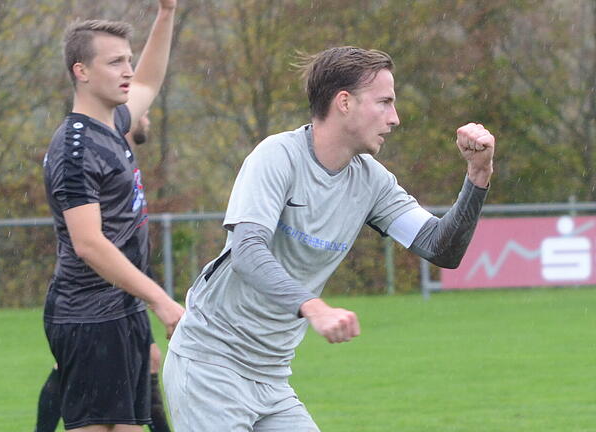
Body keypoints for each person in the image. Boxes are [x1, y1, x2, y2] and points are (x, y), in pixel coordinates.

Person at [163, 46, 495, 431]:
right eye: (384, 103)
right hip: (210, 366)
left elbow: (442, 248)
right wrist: (314, 308)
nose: (395, 118)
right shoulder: (277, 156)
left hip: (271, 378)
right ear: (344, 103)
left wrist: (478, 174)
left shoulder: (371, 180)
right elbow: (247, 252)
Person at [41, 0, 184, 430]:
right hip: (88, 317)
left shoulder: (113, 121)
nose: (127, 70)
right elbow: (88, 243)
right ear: (81, 71)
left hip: (122, 311)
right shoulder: (75, 149)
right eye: (115, 62)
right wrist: (160, 299)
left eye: (128, 60)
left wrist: (166, 14)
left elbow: (150, 80)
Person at [34, 114, 171, 432]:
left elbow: (145, 86)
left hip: (124, 302)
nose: (145, 116)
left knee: (146, 369)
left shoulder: (114, 149)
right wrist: (160, 300)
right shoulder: (83, 149)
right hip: (91, 306)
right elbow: (89, 244)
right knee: (99, 415)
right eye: (143, 114)